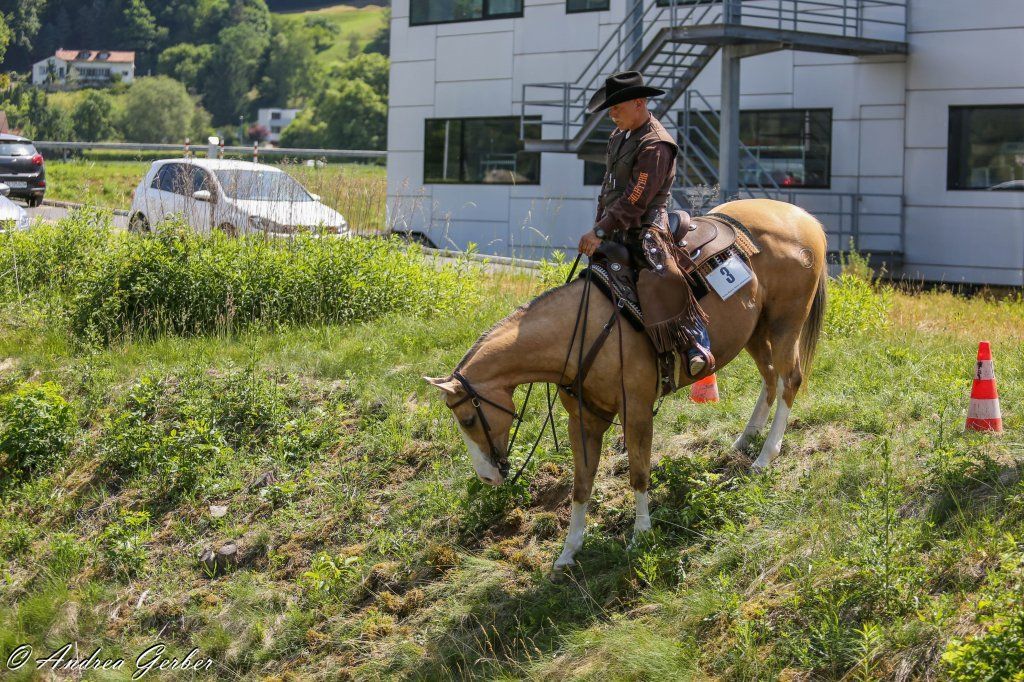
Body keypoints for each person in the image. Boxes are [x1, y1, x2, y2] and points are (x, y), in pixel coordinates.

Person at [577, 71, 712, 380]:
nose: (612, 115)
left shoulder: (656, 144)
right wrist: (600, 225)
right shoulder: (618, 137)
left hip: (646, 223)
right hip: (615, 223)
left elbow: (636, 201)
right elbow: (608, 189)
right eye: (609, 109)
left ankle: (694, 343)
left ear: (638, 103)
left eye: (616, 108)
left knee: (663, 273)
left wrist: (599, 231)